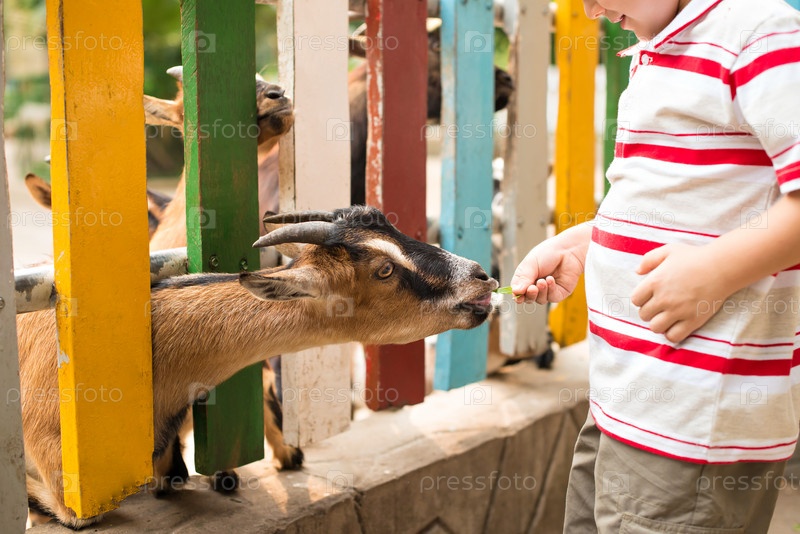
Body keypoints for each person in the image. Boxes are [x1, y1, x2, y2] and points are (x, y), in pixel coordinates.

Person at [511, 0, 800, 531]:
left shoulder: (758, 32)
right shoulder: (657, 43)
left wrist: (714, 272)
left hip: (694, 420)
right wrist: (587, 243)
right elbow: (682, 203)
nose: (590, 10)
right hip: (624, 399)